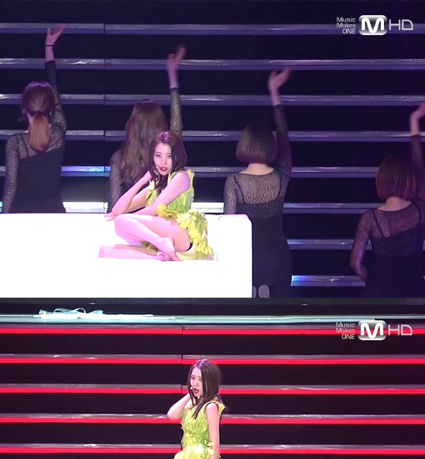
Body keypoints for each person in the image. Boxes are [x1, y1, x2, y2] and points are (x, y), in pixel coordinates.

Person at [223, 69, 292, 298]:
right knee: (280, 317)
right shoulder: (281, 177)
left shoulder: (234, 183)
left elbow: (229, 230)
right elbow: (284, 140)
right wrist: (275, 95)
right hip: (279, 259)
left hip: (248, 262)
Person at [99, 132, 213, 261]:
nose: (163, 162)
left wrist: (125, 220)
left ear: (177, 157)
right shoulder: (155, 185)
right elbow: (117, 210)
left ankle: (162, 243)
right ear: (152, 157)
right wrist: (142, 181)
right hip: (163, 240)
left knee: (121, 221)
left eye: (169, 156)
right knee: (104, 251)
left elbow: (153, 210)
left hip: (181, 234)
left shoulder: (181, 177)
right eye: (158, 156)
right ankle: (161, 255)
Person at [350, 103, 425, 297]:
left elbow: (356, 263)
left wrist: (374, 284)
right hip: (416, 295)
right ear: (409, 179)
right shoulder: (419, 210)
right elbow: (418, 165)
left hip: (380, 297)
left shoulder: (370, 219)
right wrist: (414, 121)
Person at [108, 46, 186, 208]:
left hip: (132, 221)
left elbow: (114, 205)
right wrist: (172, 75)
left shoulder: (120, 159)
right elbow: (176, 120)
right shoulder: (168, 154)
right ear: (160, 124)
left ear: (132, 126)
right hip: (159, 220)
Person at [2, 25, 67, 213]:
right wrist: (49, 48)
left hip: (22, 218)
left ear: (23, 110)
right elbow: (54, 91)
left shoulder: (15, 144)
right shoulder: (58, 133)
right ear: (51, 109)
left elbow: (11, 186)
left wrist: (2, 220)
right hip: (54, 216)